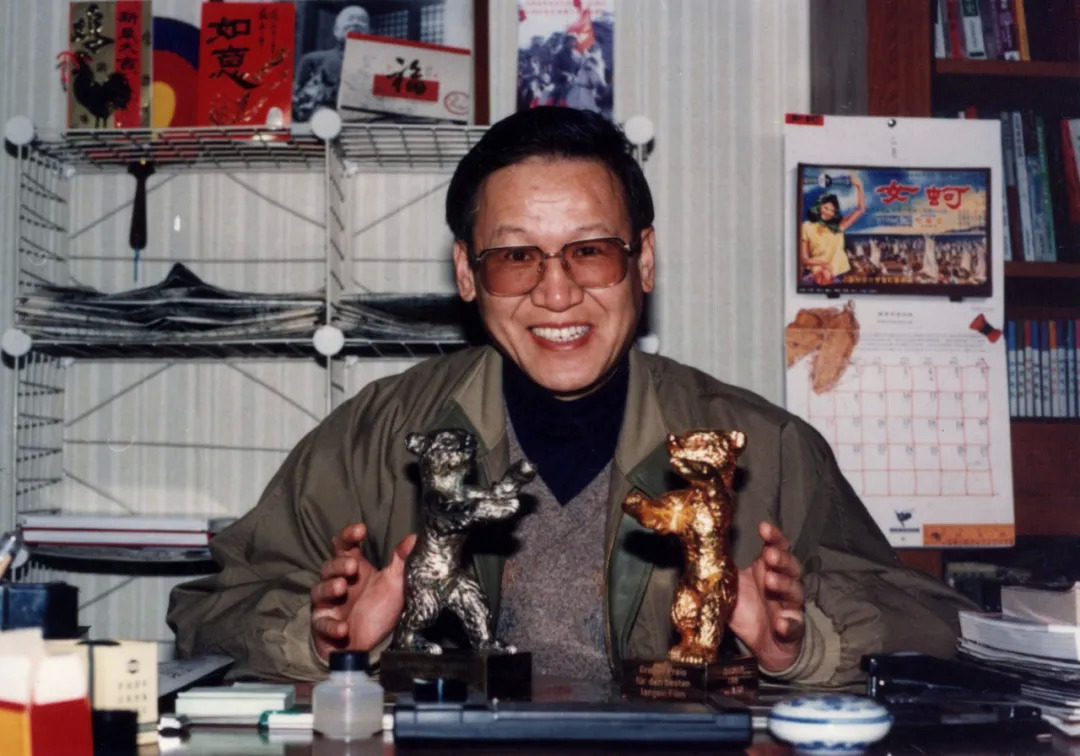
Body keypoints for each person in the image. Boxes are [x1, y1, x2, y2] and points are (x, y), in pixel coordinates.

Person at [168, 107, 973, 685]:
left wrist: (801, 645)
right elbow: (210, 609)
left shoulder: (762, 447)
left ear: (643, 260)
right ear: (466, 273)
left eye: (590, 252)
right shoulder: (379, 437)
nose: (556, 294)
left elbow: (930, 622)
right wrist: (320, 638)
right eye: (516, 257)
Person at [292, 5, 371, 122]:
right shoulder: (312, 60)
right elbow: (298, 104)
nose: (355, 23)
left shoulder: (377, 65)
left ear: (368, 32)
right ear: (336, 29)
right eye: (350, 19)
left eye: (361, 20)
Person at [800, 175, 865, 286]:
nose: (828, 213)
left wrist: (859, 187)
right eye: (825, 208)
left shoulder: (839, 226)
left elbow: (860, 209)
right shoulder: (806, 226)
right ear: (819, 207)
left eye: (832, 210)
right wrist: (823, 263)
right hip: (813, 274)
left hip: (836, 275)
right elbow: (804, 259)